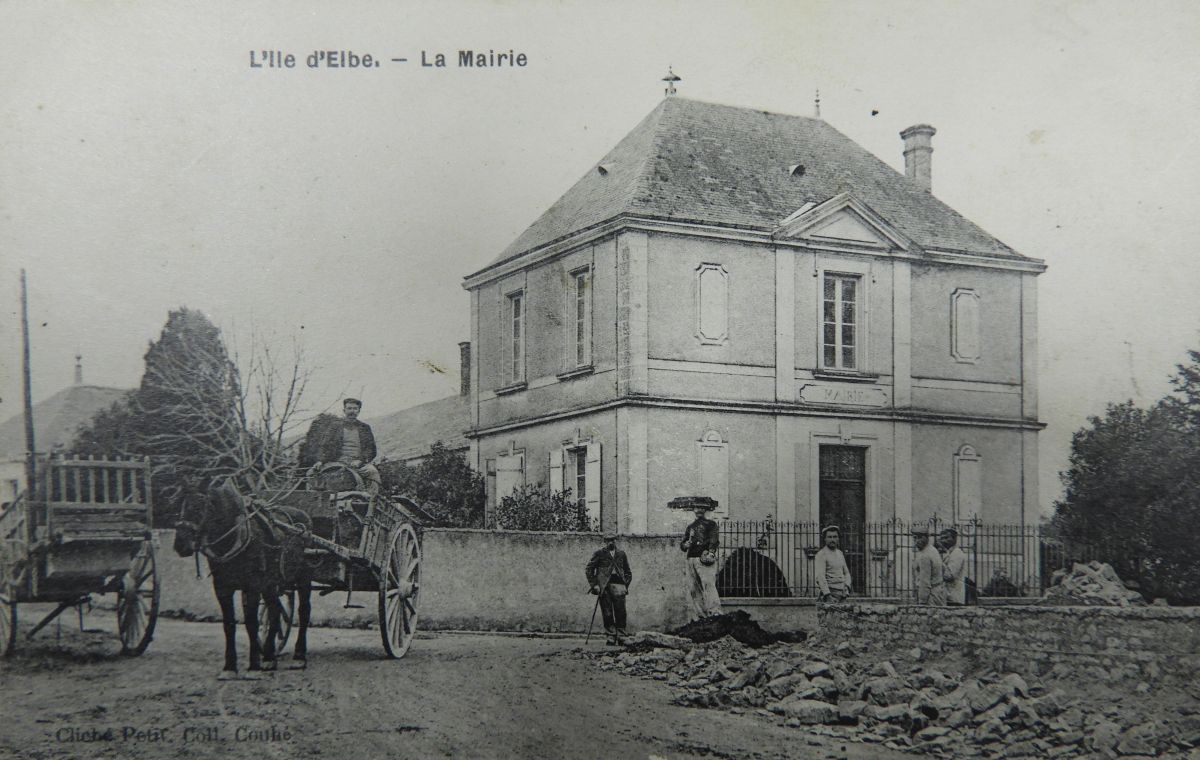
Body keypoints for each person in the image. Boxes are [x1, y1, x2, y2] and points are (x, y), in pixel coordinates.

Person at [314, 397, 382, 496]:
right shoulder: (335, 427)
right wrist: (320, 460)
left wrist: (360, 461)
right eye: (349, 408)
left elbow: (371, 449)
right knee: (312, 474)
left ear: (359, 411)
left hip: (358, 464)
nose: (352, 411)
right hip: (336, 462)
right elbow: (325, 446)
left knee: (373, 472)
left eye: (355, 409)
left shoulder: (365, 428)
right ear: (344, 410)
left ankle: (371, 501)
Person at [585, 531, 633, 645]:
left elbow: (628, 571)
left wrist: (626, 584)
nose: (611, 542)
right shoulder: (599, 554)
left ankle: (622, 636)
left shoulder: (621, 554)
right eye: (608, 540)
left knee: (621, 612)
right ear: (605, 541)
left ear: (616, 541)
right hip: (604, 586)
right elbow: (589, 569)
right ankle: (611, 636)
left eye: (613, 540)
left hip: (619, 586)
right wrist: (595, 585)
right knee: (607, 612)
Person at [680, 503, 722, 621]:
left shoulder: (711, 524)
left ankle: (715, 613)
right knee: (694, 589)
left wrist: (711, 552)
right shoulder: (690, 527)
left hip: (704, 558)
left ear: (706, 510)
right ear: (694, 510)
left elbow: (714, 539)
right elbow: (683, 544)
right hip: (691, 559)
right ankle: (701, 617)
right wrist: (685, 544)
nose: (699, 510)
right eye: (697, 508)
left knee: (708, 585)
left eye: (702, 508)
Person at [813, 525, 852, 602]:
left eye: (835, 537)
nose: (832, 540)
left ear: (838, 539)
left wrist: (847, 586)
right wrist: (827, 595)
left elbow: (846, 573)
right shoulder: (821, 554)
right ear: (825, 539)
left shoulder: (840, 553)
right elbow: (820, 577)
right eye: (829, 537)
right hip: (830, 595)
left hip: (842, 594)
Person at [913, 526, 946, 605]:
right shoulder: (933, 550)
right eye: (915, 538)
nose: (917, 541)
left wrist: (922, 601)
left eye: (920, 537)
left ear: (927, 537)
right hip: (939, 592)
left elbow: (925, 582)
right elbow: (943, 568)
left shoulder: (925, 555)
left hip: (930, 597)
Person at [939, 528, 968, 605]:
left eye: (946, 538)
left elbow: (950, 576)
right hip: (948, 596)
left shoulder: (957, 554)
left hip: (954, 597)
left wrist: (938, 561)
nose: (943, 541)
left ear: (954, 538)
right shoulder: (949, 553)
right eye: (941, 538)